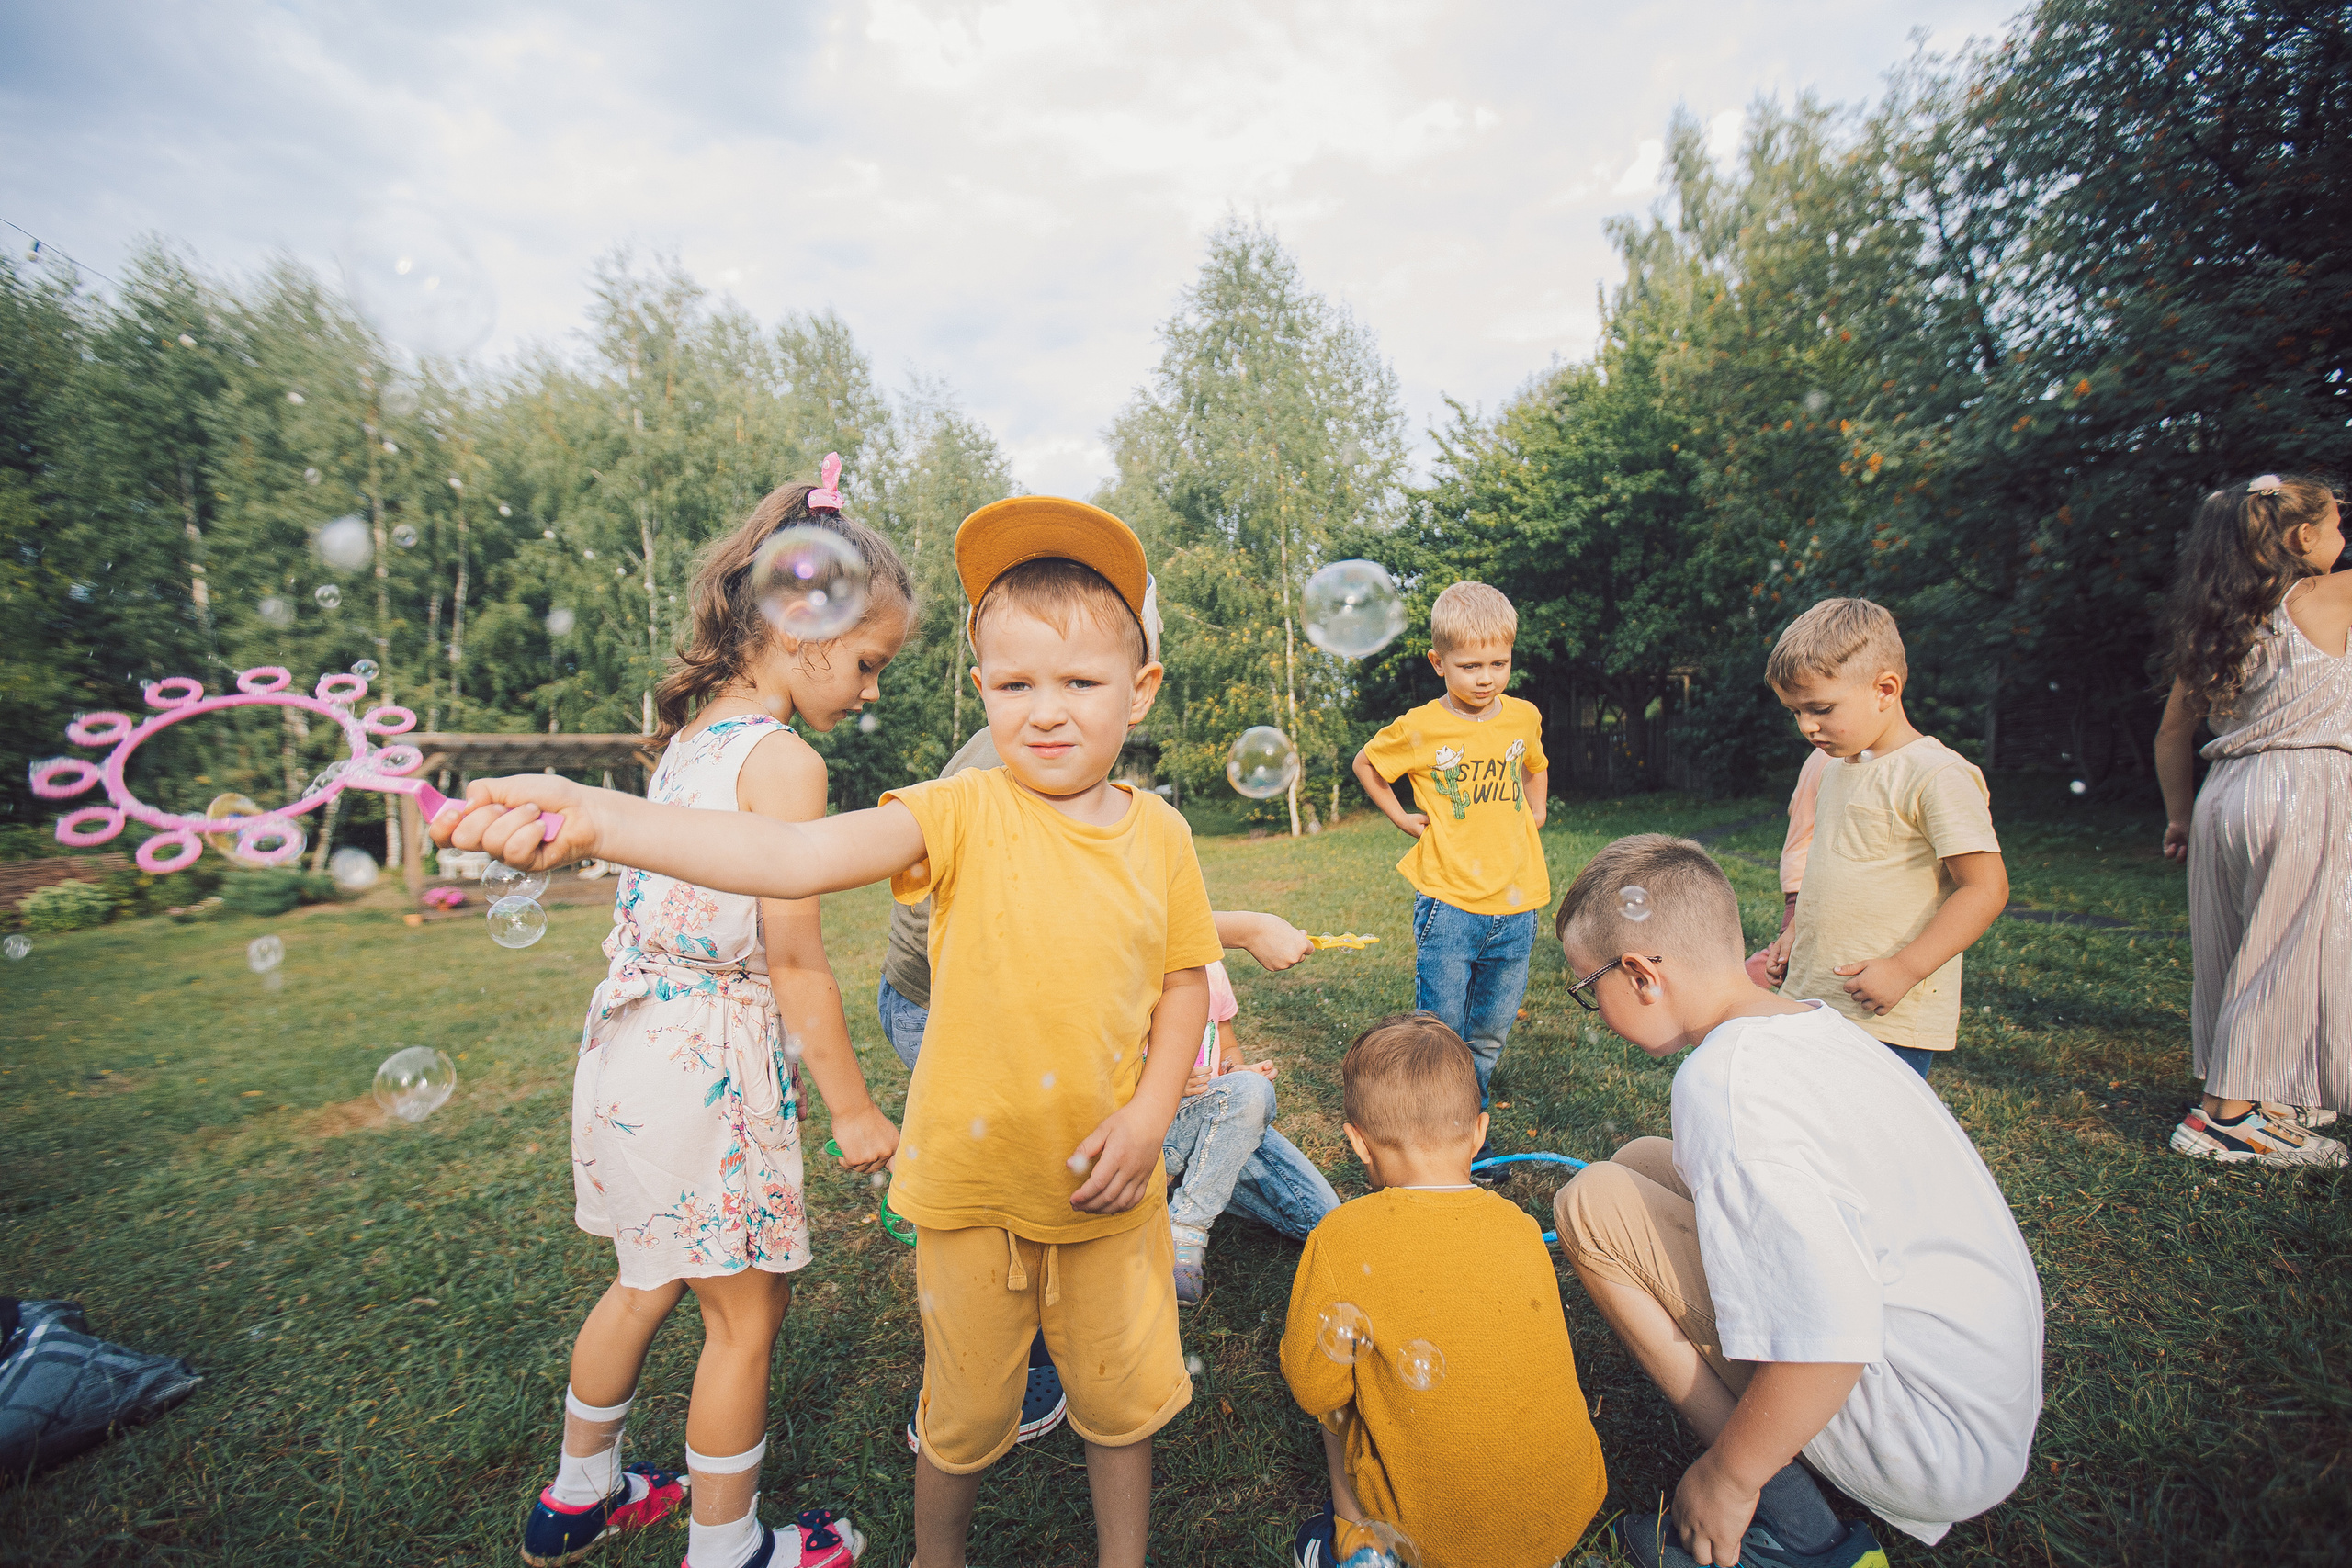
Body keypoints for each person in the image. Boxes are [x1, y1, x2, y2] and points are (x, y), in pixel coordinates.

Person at [437, 494, 1216, 1568]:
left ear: (1140, 691)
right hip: (969, 1196)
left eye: (1079, 683)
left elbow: (1184, 981)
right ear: (981, 689)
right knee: (961, 1418)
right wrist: (601, 816)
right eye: (1016, 683)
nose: (1046, 710)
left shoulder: (1162, 833)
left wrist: (1148, 1115)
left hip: (1109, 1194)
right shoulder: (959, 810)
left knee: (1121, 1410)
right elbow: (790, 860)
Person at [521, 462, 908, 1568]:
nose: (872, 688)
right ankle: (729, 1545)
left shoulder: (691, 739)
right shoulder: (785, 762)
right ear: (803, 624)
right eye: (870, 661)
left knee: (645, 1277)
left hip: (627, 1042)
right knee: (745, 1317)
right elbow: (797, 965)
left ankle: (577, 1494)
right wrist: (853, 1111)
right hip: (707, 1061)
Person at [1552, 834, 2043, 1567]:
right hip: (1976, 1404)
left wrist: (1727, 1477)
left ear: (1641, 974)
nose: (1591, 1007)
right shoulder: (1808, 1027)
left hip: (1926, 1438)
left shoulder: (1725, 1084)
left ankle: (1795, 1530)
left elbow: (1831, 1331)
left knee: (1592, 1203)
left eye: (1587, 990)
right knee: (1638, 1163)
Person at [1278, 1013, 1606, 1568]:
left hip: (1431, 1540)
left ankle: (1360, 1547)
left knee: (1337, 1412)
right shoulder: (1521, 1228)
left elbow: (1315, 1389)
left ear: (1358, 1143)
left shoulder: (1341, 1238)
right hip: (1560, 1515)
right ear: (1479, 1131)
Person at [2153, 472, 2350, 1165]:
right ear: (2302, 538)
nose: (2342, 538)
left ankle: (2254, 1095)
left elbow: (2173, 734)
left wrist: (2179, 818)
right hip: (2302, 786)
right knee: (2290, 949)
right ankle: (2227, 1119)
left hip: (2224, 794)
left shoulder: (2219, 622)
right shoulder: (2328, 597)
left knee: (2237, 946)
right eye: (2335, 525)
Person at [1756, 598, 2008, 1079]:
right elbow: (1831, 869)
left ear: (1885, 689)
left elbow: (1986, 888)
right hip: (1813, 1000)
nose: (1807, 726)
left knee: (1863, 1141)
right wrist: (1794, 934)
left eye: (1821, 709)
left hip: (1885, 1016)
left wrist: (1905, 969)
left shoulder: (1937, 774)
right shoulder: (1834, 770)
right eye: (1795, 712)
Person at [1351, 581, 1550, 1170]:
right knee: (1440, 1034)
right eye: (1469, 665)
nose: (1486, 677)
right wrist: (1399, 817)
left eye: (1498, 663)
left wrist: (1535, 810)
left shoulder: (1523, 716)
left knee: (1486, 1037)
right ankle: (1426, 1133)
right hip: (1449, 904)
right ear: (1438, 663)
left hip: (1516, 903)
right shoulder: (1419, 727)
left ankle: (1467, 1130)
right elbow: (1368, 764)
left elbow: (1536, 765)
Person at [1162, 948, 1340, 1303]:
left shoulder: (1209, 965)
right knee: (1249, 1094)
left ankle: (1198, 1179)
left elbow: (1226, 1044)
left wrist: (1237, 1073)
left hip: (1214, 1119)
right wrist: (1164, 1080)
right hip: (1157, 1126)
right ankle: (1185, 1231)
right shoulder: (1127, 956)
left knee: (1326, 1220)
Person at [1744, 748, 1828, 988]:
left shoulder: (1816, 756)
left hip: (1797, 863)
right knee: (1784, 955)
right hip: (1810, 872)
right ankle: (1728, 993)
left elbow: (1793, 807)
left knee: (1788, 949)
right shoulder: (1839, 758)